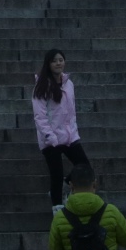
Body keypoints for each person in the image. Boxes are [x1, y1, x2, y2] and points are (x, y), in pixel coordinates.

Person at [32, 48, 89, 209]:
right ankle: (57, 210)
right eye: (54, 61)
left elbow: (72, 113)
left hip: (70, 136)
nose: (58, 63)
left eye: (61, 60)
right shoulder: (41, 86)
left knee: (84, 165)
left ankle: (66, 185)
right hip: (51, 139)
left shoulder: (68, 84)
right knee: (56, 175)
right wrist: (51, 138)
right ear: (48, 64)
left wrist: (74, 132)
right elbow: (40, 116)